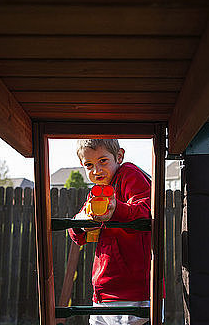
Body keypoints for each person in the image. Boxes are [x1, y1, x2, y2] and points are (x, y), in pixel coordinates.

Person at [68, 139, 151, 325]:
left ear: (119, 156)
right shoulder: (96, 192)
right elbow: (78, 237)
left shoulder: (129, 174)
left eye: (103, 161)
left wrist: (117, 210)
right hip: (102, 290)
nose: (96, 170)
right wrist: (81, 223)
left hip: (131, 291)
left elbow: (146, 211)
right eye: (89, 165)